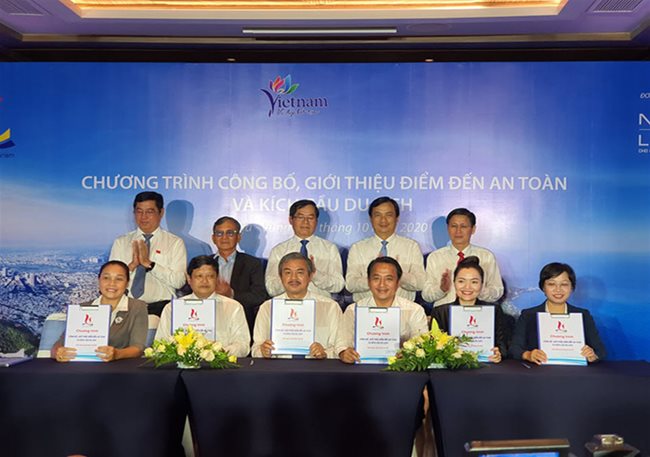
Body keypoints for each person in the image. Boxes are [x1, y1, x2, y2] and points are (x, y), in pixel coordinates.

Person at [510, 262, 606, 364]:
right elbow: (514, 348)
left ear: (572, 287)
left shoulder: (583, 315)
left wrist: (592, 355)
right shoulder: (528, 315)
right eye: (551, 284)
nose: (558, 289)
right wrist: (528, 355)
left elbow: (600, 351)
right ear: (543, 287)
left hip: (575, 375)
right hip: (538, 374)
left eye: (564, 284)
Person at [155, 255, 250, 357]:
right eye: (199, 276)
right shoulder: (172, 308)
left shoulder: (233, 307)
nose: (204, 281)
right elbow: (160, 345)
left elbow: (243, 345)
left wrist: (221, 352)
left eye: (210, 276)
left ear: (217, 279)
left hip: (221, 368)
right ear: (189, 279)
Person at [52, 261, 147, 362]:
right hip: (82, 366)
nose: (112, 283)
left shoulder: (137, 307)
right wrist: (58, 353)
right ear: (99, 280)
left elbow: (138, 348)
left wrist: (117, 354)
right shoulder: (82, 308)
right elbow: (58, 345)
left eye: (119, 279)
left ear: (127, 283)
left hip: (119, 369)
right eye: (106, 278)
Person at [338, 257, 428, 363]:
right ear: (368, 281)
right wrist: (344, 353)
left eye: (389, 279)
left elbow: (422, 345)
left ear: (398, 283)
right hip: (362, 368)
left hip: (401, 371)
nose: (382, 284)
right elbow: (342, 343)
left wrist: (408, 353)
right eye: (376, 278)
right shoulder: (353, 310)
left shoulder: (414, 310)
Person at [110, 191, 187, 316]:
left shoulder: (175, 243)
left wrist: (150, 264)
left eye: (149, 212)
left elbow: (178, 281)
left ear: (161, 213)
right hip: (126, 308)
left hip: (160, 310)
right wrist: (131, 266)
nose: (143, 217)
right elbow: (112, 280)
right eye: (139, 211)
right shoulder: (121, 242)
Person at [253, 252, 342, 359]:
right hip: (279, 371)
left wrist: (325, 353)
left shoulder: (330, 307)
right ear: (280, 276)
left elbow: (340, 349)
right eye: (288, 273)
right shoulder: (268, 307)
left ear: (310, 276)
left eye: (300, 272)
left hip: (318, 370)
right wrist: (263, 351)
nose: (293, 278)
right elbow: (255, 349)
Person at [346, 196, 425, 302]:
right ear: (371, 219)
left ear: (397, 218)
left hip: (403, 310)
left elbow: (420, 283)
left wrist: (398, 274)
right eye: (378, 215)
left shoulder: (411, 247)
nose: (383, 220)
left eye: (389, 215)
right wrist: (376, 277)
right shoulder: (357, 248)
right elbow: (350, 284)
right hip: (366, 310)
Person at [431, 256, 507, 362]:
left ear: (482, 284)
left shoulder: (493, 311)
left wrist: (498, 353)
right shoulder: (440, 312)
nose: (467, 287)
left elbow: (502, 346)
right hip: (452, 370)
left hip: (485, 367)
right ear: (454, 283)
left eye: (474, 282)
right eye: (461, 281)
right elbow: (434, 349)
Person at [423, 208, 503, 307]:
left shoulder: (486, 256)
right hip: (444, 314)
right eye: (454, 226)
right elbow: (426, 295)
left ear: (473, 229)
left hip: (476, 315)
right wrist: (442, 289)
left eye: (463, 226)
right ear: (447, 228)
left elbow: (498, 291)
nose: (458, 231)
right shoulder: (435, 257)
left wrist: (479, 290)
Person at [265, 199, 344, 298]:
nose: (305, 222)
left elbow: (338, 285)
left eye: (310, 218)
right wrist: (290, 276)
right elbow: (271, 289)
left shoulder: (329, 249)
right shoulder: (279, 250)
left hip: (320, 306)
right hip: (287, 306)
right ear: (291, 220)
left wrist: (315, 274)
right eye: (300, 217)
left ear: (316, 221)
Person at [211, 216, 268, 336]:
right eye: (219, 233)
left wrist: (231, 294)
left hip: (241, 326)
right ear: (213, 238)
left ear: (239, 237)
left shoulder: (252, 264)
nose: (224, 237)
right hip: (209, 324)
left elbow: (260, 296)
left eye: (230, 233)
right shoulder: (204, 263)